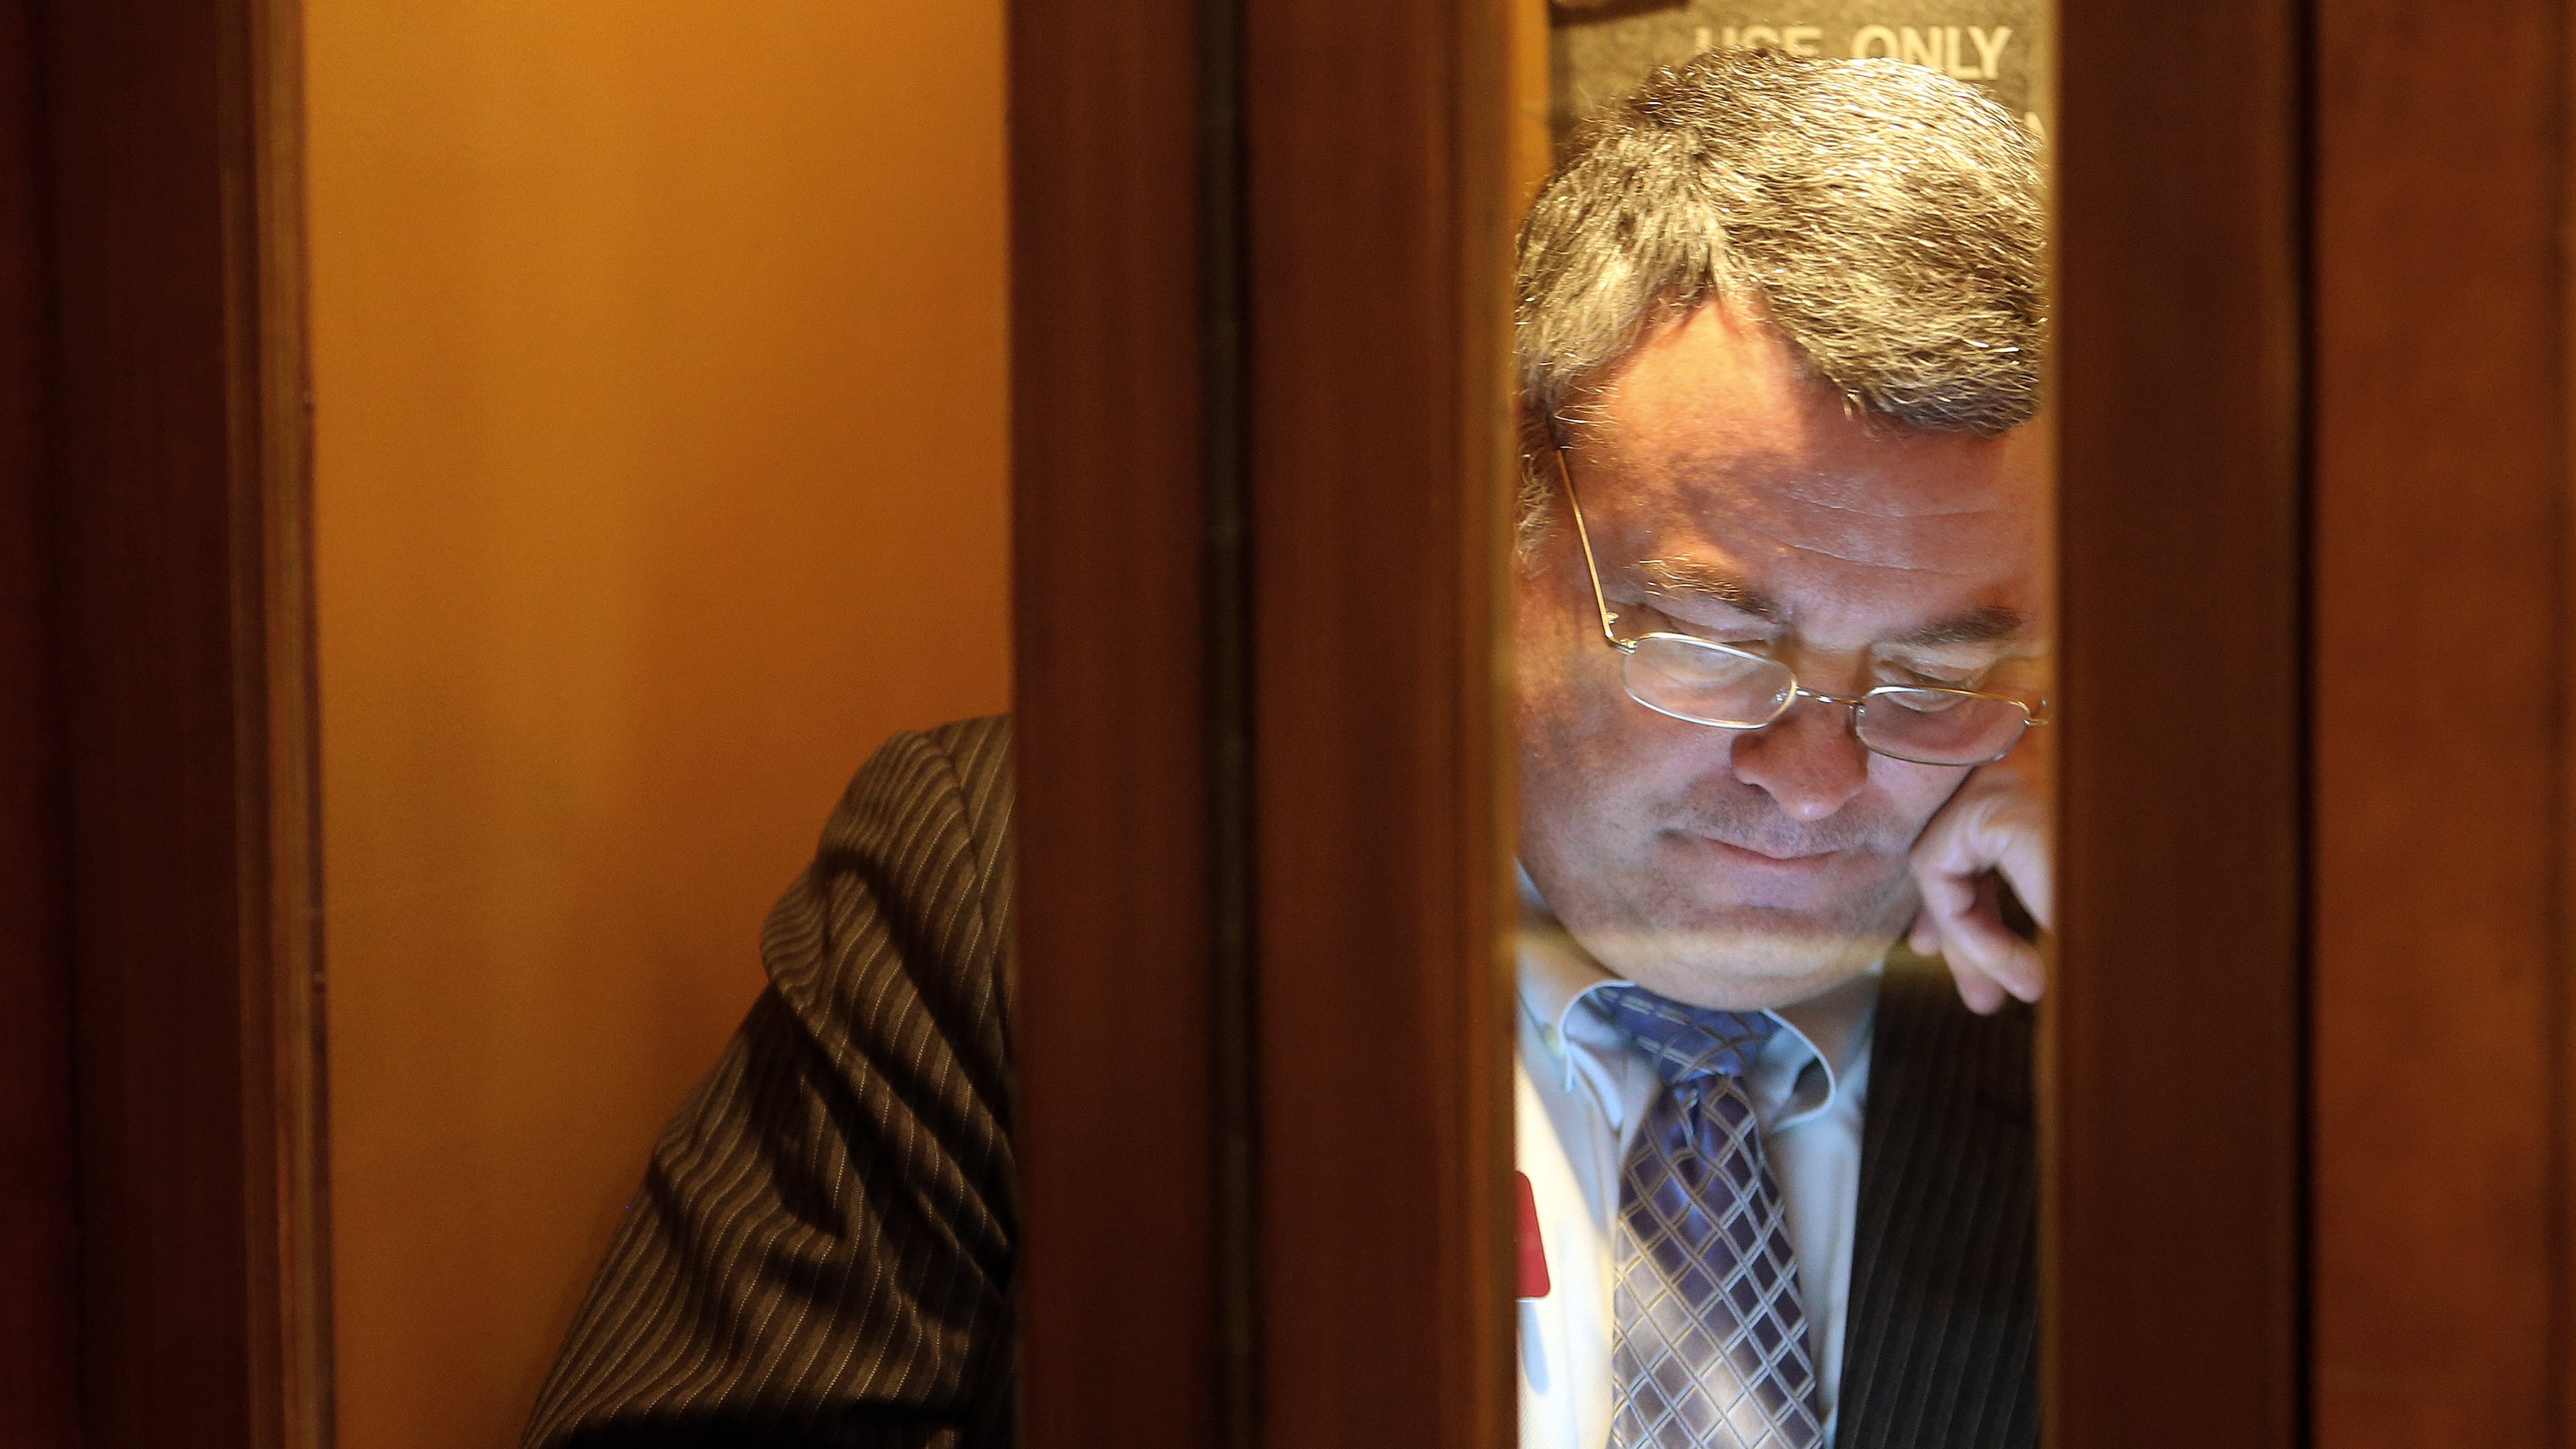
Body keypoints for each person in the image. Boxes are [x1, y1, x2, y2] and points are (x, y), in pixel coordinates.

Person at [522, 48, 2049, 1449]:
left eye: (1936, 672)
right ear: (1489, 532)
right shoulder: (1040, 896)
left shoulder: (2109, 1000)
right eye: (1715, 641)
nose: (1818, 780)